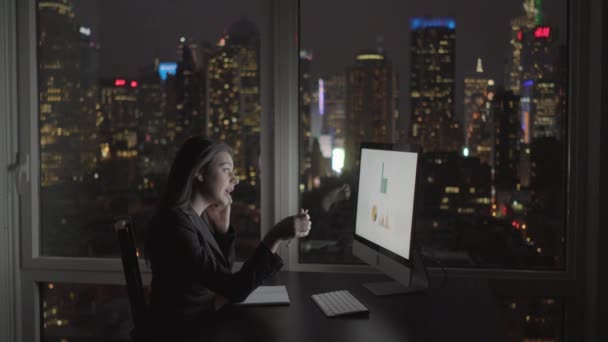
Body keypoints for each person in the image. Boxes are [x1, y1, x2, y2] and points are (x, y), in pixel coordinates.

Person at [144, 136, 311, 339]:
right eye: (225, 170)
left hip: (198, 323)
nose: (235, 178)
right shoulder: (177, 225)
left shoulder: (192, 219)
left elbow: (222, 278)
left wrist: (222, 232)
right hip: (182, 333)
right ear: (199, 172)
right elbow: (234, 289)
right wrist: (274, 236)